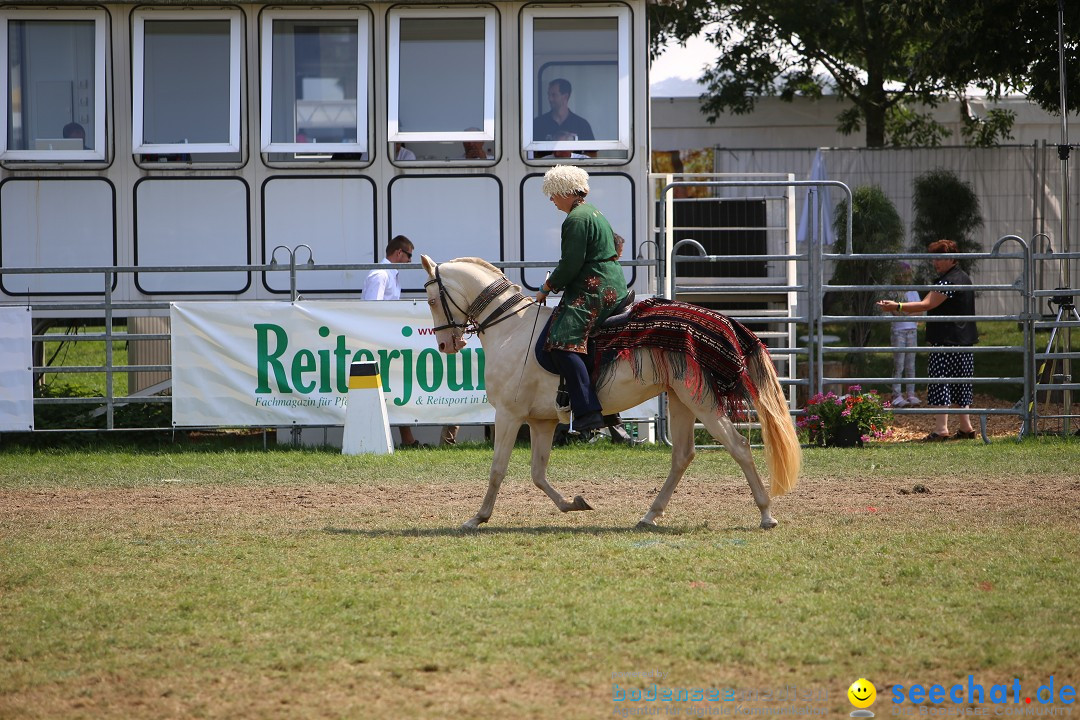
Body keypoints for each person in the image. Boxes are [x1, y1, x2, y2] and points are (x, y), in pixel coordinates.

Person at [537, 165, 628, 433]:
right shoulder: (593, 212)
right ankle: (608, 411)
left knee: (562, 342)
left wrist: (546, 287)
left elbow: (571, 264)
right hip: (608, 283)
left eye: (553, 194)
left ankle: (588, 413)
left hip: (595, 287)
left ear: (566, 191)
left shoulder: (575, 219)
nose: (551, 200)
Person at [877, 239, 977, 441]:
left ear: (952, 258)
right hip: (963, 341)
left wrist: (897, 306)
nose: (935, 262)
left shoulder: (947, 281)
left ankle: (941, 430)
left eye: (939, 258)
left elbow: (926, 304)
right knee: (961, 385)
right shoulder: (963, 277)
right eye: (934, 258)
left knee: (942, 384)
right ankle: (966, 428)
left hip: (945, 341)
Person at [364, 235, 422, 448]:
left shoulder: (391, 275)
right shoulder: (380, 275)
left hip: (388, 340)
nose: (409, 261)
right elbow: (372, 310)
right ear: (399, 253)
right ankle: (395, 439)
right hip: (378, 342)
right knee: (389, 389)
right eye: (409, 256)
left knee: (395, 389)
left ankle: (406, 439)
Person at [887, 262, 922, 408]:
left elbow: (920, 311)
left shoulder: (913, 292)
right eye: (903, 275)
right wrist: (910, 311)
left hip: (912, 330)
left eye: (908, 275)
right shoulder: (894, 292)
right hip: (899, 331)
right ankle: (896, 394)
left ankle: (911, 394)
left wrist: (905, 311)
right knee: (899, 363)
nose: (906, 278)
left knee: (910, 364)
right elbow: (895, 312)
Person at [533, 79, 594, 143]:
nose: (550, 99)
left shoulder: (582, 125)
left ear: (565, 97)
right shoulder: (538, 124)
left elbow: (591, 152)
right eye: (548, 95)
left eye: (554, 95)